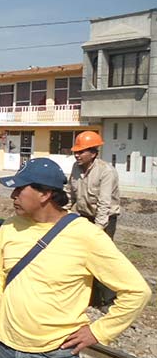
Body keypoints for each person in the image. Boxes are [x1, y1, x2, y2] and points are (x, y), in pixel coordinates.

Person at [0, 158, 150, 358]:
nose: (13, 196)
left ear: (45, 194)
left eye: (20, 189)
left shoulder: (85, 236)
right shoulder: (9, 227)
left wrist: (99, 331)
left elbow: (137, 291)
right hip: (5, 351)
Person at [66, 130, 121, 308]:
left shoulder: (106, 172)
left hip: (104, 220)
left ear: (93, 153)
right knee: (82, 257)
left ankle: (109, 300)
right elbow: (70, 195)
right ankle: (90, 298)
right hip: (84, 216)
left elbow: (104, 204)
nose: (77, 155)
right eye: (76, 151)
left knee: (102, 257)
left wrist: (97, 231)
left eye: (81, 152)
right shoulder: (76, 168)